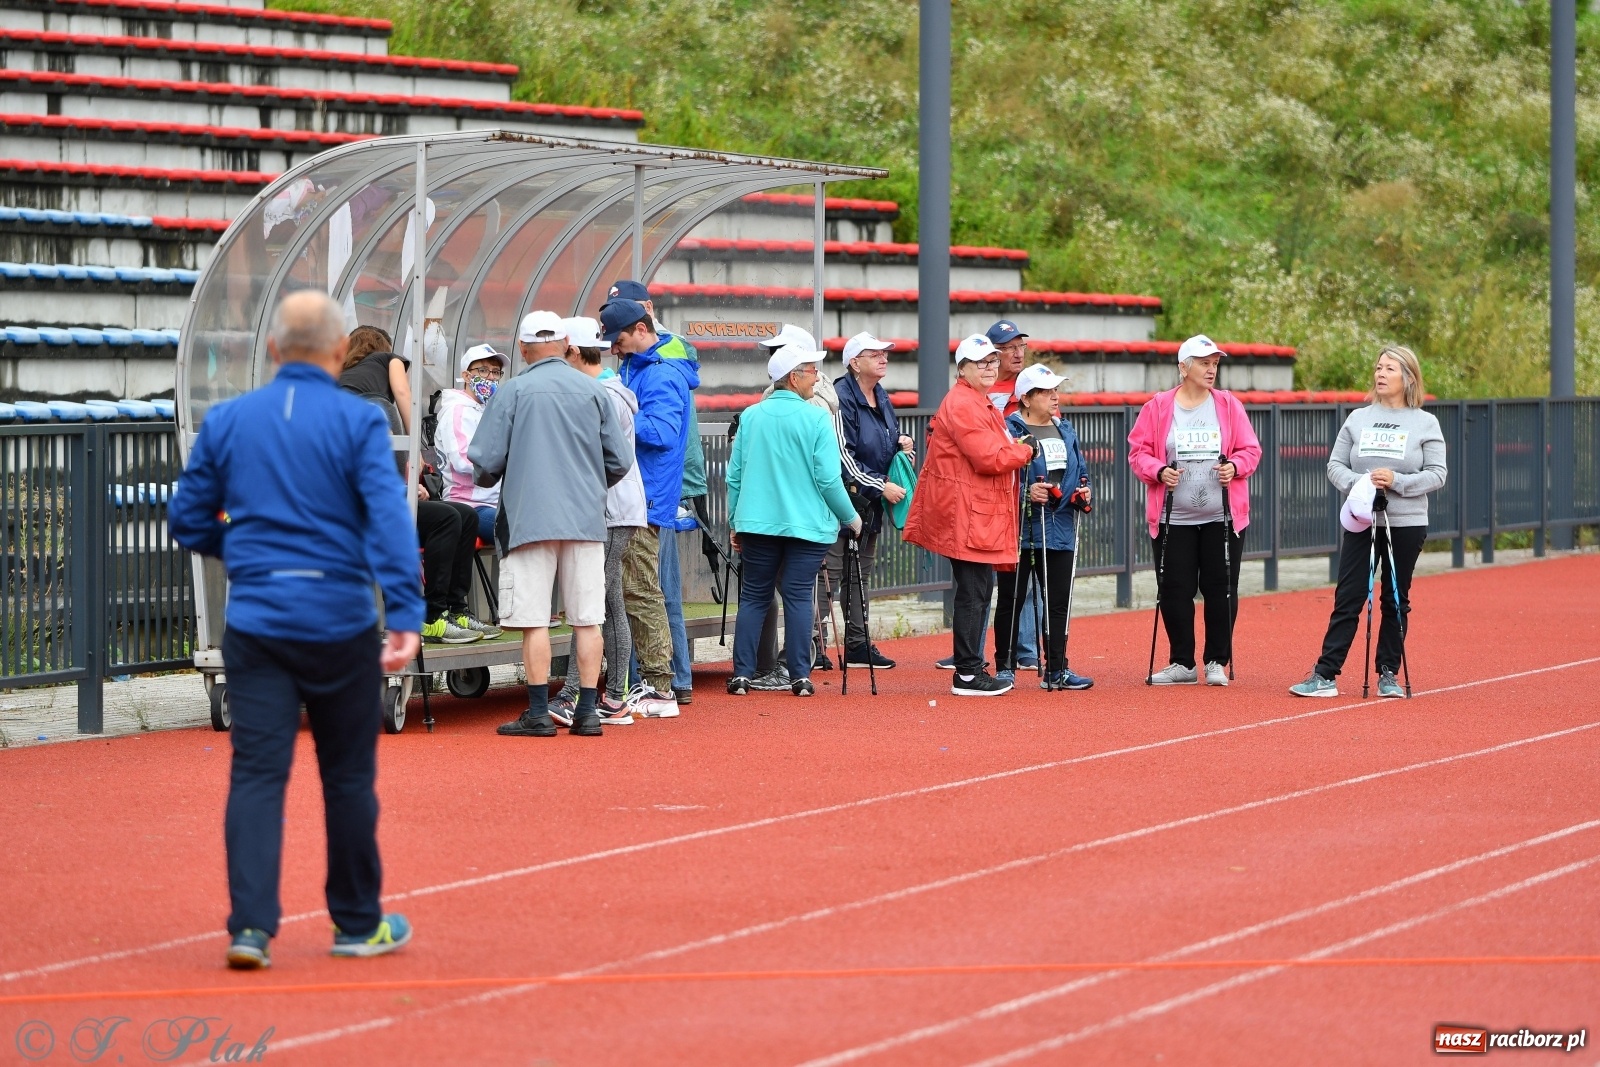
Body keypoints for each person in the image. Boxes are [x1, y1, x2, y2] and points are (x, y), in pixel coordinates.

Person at [169, 291, 421, 970]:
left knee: (257, 774)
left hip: (257, 620)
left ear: (275, 349)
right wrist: (404, 612)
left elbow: (187, 518)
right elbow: (388, 519)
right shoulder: (360, 419)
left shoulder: (229, 419)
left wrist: (244, 552)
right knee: (347, 776)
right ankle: (357, 922)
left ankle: (250, 929)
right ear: (340, 351)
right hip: (339, 619)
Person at [468, 315, 634, 738]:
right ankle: (588, 713)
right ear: (565, 343)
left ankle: (540, 712)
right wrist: (589, 485)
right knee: (588, 620)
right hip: (585, 520)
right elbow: (619, 461)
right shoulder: (594, 392)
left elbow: (484, 464)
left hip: (528, 518)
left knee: (535, 620)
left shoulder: (513, 391)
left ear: (523, 349)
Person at [1290, 346, 1446, 698]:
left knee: (1394, 597)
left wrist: (1397, 481)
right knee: (1349, 595)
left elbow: (1438, 474)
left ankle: (1388, 673)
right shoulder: (1357, 418)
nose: (1380, 374)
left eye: (1389, 368)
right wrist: (1359, 484)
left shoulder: (1426, 423)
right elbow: (1335, 465)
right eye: (1378, 367)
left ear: (1408, 377)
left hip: (1406, 522)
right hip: (1362, 519)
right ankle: (1325, 674)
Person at [337, 325, 490, 645]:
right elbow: (404, 394)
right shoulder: (386, 360)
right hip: (373, 511)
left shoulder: (340, 386)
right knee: (449, 518)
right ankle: (432, 616)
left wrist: (405, 489)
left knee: (465, 515)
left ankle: (455, 609)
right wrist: (416, 450)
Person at [726, 345, 862, 696]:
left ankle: (742, 674)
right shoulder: (816, 419)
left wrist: (734, 521)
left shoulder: (751, 416)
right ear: (793, 377)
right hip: (806, 525)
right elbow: (828, 479)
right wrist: (851, 516)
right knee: (799, 596)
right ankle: (799, 676)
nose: (817, 378)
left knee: (754, 596)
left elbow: (735, 476)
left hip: (757, 523)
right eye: (812, 371)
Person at [903, 334, 1034, 696]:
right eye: (982, 363)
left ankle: (970, 669)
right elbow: (990, 457)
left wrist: (1015, 449)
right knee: (974, 591)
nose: (990, 368)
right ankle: (967, 673)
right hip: (968, 511)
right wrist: (1025, 451)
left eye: (993, 361)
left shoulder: (974, 400)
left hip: (973, 509)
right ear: (962, 369)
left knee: (978, 589)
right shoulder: (965, 402)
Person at [1128, 334, 1263, 686]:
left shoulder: (1229, 405)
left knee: (1221, 588)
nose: (1211, 369)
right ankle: (1182, 663)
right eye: (1204, 363)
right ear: (1183, 367)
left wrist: (1235, 466)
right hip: (1173, 517)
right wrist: (1159, 471)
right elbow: (1138, 453)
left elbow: (1251, 450)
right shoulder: (1158, 406)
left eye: (1215, 363)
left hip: (1222, 516)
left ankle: (1217, 661)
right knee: (1174, 588)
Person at [608, 279, 704, 706]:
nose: (614, 347)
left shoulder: (660, 372)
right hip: (639, 491)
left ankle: (660, 683)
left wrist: (616, 416)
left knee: (643, 591)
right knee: (640, 589)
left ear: (642, 327)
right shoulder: (638, 365)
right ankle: (657, 681)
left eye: (620, 338)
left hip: (647, 495)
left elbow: (662, 433)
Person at [550, 316, 648, 725]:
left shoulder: (600, 395)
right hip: (614, 509)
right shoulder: (609, 391)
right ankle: (613, 697)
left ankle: (579, 694)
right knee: (605, 602)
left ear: (573, 351)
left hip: (609, 510)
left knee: (593, 604)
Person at [996, 364, 1095, 690]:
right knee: (1012, 598)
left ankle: (1057, 668)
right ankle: (1005, 666)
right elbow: (999, 478)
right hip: (1022, 529)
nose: (1055, 396)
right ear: (1025, 398)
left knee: (1058, 601)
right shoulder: (1008, 430)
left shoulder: (1065, 429)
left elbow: (1080, 470)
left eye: (1056, 390)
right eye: (1046, 391)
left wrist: (1084, 490)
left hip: (1061, 525)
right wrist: (1027, 492)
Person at [824, 331, 915, 669]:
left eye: (884, 353)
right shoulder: (841, 396)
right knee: (830, 574)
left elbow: (882, 441)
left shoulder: (881, 395)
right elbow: (842, 456)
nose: (883, 358)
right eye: (874, 354)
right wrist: (880, 485)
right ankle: (812, 646)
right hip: (842, 501)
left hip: (871, 505)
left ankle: (858, 645)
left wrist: (901, 443)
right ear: (854, 362)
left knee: (860, 575)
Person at [436, 342, 510, 543]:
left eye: (496, 372)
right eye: (483, 370)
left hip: (493, 503)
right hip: (469, 505)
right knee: (519, 534)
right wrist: (507, 465)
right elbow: (463, 461)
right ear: (467, 376)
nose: (491, 377)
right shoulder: (458, 411)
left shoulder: (486, 409)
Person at [338, 324, 412, 431]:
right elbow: (402, 391)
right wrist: (414, 436)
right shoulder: (389, 358)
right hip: (372, 407)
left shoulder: (340, 370)